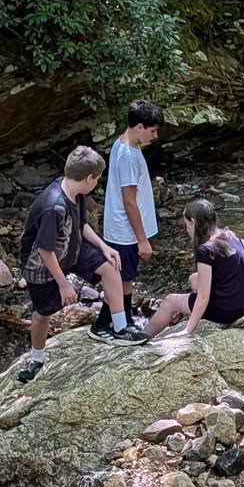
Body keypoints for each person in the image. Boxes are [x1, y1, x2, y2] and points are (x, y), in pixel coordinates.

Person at [16, 145, 143, 383]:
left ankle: (117, 327)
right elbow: (45, 249)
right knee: (42, 314)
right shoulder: (53, 206)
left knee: (109, 264)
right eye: (98, 179)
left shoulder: (76, 191)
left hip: (71, 246)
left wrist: (104, 246)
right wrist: (64, 284)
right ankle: (36, 359)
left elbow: (81, 225)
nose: (97, 183)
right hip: (44, 265)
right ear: (89, 178)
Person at [142, 198, 244, 339]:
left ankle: (142, 337)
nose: (186, 229)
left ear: (193, 222)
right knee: (194, 278)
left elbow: (203, 296)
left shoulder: (205, 250)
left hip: (225, 311)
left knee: (170, 301)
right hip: (243, 305)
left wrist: (188, 329)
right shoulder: (229, 235)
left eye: (186, 224)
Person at [96, 99, 161, 335]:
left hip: (121, 228)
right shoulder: (129, 157)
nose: (155, 136)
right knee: (121, 279)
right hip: (125, 231)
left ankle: (122, 321)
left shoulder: (122, 144)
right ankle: (107, 324)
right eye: (152, 131)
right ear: (140, 127)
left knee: (125, 278)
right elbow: (130, 202)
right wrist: (142, 239)